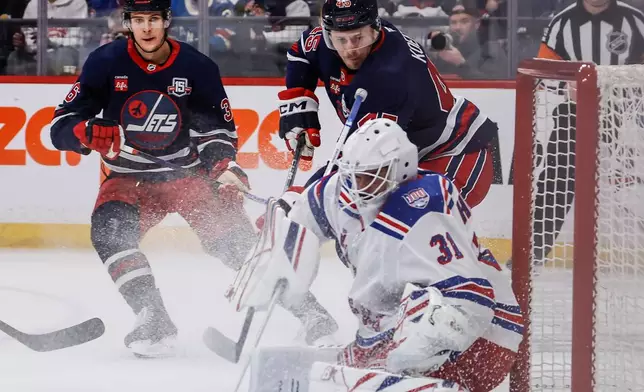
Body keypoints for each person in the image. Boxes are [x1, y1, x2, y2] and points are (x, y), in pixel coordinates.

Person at [48, 0, 334, 357]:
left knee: (237, 246)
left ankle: (312, 313)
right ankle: (152, 316)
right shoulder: (105, 62)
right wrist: (84, 131)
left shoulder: (196, 66)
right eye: (139, 21)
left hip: (187, 175)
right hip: (127, 177)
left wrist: (221, 166)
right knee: (108, 233)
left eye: (154, 19)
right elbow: (60, 126)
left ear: (167, 20)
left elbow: (218, 131)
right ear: (128, 23)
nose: (147, 28)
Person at [237, 119, 523, 392]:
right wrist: (274, 257)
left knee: (422, 313)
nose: (358, 185)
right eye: (353, 175)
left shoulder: (423, 206)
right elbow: (297, 227)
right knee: (349, 368)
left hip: (486, 338)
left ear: (402, 169)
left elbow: (470, 300)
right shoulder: (341, 190)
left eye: (370, 176)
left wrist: (399, 361)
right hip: (394, 328)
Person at [278, 0, 499, 209]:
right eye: (340, 40)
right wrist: (299, 106)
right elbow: (301, 54)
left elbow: (361, 164)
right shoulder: (324, 41)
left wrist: (304, 199)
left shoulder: (390, 74)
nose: (350, 49)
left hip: (454, 154)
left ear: (375, 28)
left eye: (359, 38)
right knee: (359, 227)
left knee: (399, 223)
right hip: (409, 157)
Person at [505, 0, 644, 269]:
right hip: (574, 117)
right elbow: (543, 70)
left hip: (624, 116)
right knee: (556, 182)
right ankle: (532, 255)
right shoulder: (562, 23)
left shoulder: (635, 21)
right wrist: (565, 85)